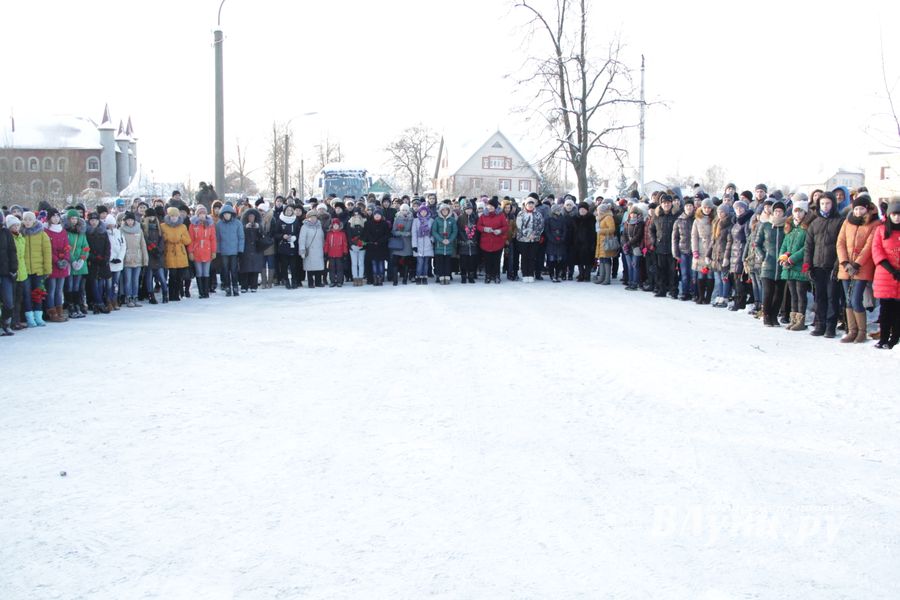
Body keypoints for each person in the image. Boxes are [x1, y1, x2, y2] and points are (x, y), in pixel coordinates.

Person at [836, 196, 878, 343]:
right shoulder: (848, 222)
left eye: (861, 208)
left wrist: (857, 264)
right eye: (856, 209)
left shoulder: (874, 223)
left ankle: (861, 331)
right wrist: (845, 262)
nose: (858, 211)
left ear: (867, 208)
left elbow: (869, 246)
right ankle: (852, 330)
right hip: (846, 267)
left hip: (862, 267)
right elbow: (840, 242)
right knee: (848, 300)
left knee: (856, 299)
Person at [871, 197, 900, 348]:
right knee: (885, 310)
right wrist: (891, 270)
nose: (897, 217)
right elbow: (877, 250)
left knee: (897, 311)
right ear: (889, 214)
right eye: (894, 213)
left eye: (899, 214)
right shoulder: (881, 230)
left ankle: (894, 338)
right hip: (886, 275)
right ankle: (883, 338)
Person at [756, 200, 788, 327]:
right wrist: (762, 256)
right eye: (776, 211)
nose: (778, 213)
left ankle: (774, 316)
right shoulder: (765, 225)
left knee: (779, 293)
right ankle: (766, 316)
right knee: (768, 292)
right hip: (767, 263)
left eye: (780, 211)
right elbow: (756, 243)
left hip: (781, 264)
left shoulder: (787, 226)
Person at [778, 201, 810, 330]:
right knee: (793, 294)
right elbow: (784, 244)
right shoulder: (790, 227)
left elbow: (806, 247)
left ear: (805, 212)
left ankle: (800, 320)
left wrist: (792, 258)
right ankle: (793, 319)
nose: (798, 214)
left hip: (799, 265)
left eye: (800, 211)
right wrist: (782, 257)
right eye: (795, 211)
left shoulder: (806, 228)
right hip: (788, 267)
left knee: (800, 293)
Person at [725, 200, 753, 311]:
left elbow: (748, 239)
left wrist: (744, 255)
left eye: (741, 208)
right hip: (734, 253)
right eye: (736, 208)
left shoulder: (746, 222)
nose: (739, 210)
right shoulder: (735, 222)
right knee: (735, 279)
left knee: (739, 280)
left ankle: (740, 302)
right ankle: (737, 299)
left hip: (741, 252)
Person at [650, 194, 680, 298]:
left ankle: (673, 290)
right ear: (661, 204)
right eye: (664, 203)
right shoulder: (657, 215)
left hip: (672, 248)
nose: (666, 205)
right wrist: (654, 241)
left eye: (668, 203)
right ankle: (661, 290)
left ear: (671, 203)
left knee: (673, 272)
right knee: (660, 270)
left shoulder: (676, 215)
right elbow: (651, 230)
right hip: (660, 247)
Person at [43, 208, 69, 322]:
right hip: (53, 264)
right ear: (49, 218)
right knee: (52, 289)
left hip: (63, 264)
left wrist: (66, 259)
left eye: (57, 216)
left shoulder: (63, 231)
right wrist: (56, 260)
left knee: (59, 290)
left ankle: (59, 311)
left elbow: (67, 247)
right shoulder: (46, 231)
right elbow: (48, 249)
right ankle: (51, 312)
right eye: (53, 216)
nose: (56, 218)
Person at [161, 206, 192, 301]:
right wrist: (167, 238)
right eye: (172, 216)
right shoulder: (163, 226)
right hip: (170, 252)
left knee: (179, 276)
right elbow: (161, 238)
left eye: (175, 216)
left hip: (180, 253)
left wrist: (181, 238)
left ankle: (178, 294)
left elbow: (188, 240)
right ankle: (171, 295)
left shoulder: (183, 226)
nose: (174, 217)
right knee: (172, 275)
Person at [4, 214, 27, 331]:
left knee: (19, 298)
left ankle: (17, 320)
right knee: (11, 299)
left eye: (18, 225)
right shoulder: (9, 238)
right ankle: (11, 321)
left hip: (21, 271)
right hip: (11, 272)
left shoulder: (21, 237)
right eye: (14, 226)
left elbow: (23, 256)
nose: (16, 228)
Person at [64, 209, 89, 318]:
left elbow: (86, 247)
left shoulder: (81, 233)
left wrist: (82, 259)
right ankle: (70, 305)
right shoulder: (66, 232)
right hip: (70, 263)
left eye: (75, 218)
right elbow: (66, 248)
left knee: (77, 286)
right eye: (72, 219)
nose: (74, 221)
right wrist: (73, 260)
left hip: (80, 263)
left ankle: (77, 304)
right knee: (69, 285)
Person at [215, 204, 244, 297]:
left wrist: (240, 249)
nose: (227, 216)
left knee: (234, 269)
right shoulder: (219, 224)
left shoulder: (237, 223)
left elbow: (241, 237)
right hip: (224, 251)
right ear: (222, 215)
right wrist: (218, 250)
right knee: (225, 269)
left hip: (234, 251)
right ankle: (227, 286)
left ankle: (235, 286)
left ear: (232, 214)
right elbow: (217, 239)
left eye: (228, 214)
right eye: (225, 214)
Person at [121, 211, 149, 307]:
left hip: (137, 258)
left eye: (131, 220)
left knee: (136, 280)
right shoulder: (122, 230)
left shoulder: (139, 230)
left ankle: (135, 297)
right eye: (128, 220)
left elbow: (143, 245)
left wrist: (145, 259)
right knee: (128, 280)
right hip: (127, 259)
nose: (130, 222)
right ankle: (128, 297)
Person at [188, 205, 216, 299]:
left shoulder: (210, 225)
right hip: (197, 251)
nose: (202, 215)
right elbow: (190, 239)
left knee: (206, 272)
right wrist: (190, 252)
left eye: (204, 213)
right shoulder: (193, 225)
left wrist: (213, 251)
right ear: (197, 215)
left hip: (207, 251)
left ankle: (206, 291)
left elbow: (213, 239)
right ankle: (201, 292)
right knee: (199, 272)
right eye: (200, 213)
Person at [85, 212, 111, 314]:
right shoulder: (87, 233)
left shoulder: (103, 232)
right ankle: (98, 303)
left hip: (103, 261)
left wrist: (106, 258)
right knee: (94, 283)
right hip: (93, 261)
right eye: (91, 220)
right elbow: (86, 247)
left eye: (95, 220)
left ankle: (99, 302)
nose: (93, 222)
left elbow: (108, 246)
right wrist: (93, 257)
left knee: (101, 283)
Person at [477, 197, 507, 284]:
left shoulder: (501, 215)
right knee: (488, 261)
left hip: (497, 241)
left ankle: (496, 275)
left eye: (492, 206)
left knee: (496, 260)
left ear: (495, 207)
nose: (490, 207)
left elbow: (505, 226)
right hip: (486, 242)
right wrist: (485, 229)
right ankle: (488, 275)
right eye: (488, 206)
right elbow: (478, 226)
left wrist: (500, 230)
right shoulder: (483, 215)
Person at [709, 204, 734, 308]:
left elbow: (729, 242)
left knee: (725, 278)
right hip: (715, 255)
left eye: (722, 212)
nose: (720, 214)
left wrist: (726, 257)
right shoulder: (716, 223)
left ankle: (725, 297)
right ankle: (719, 296)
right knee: (718, 278)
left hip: (723, 255)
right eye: (719, 212)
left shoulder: (729, 225)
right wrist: (708, 254)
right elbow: (713, 241)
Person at [142, 206, 168, 304]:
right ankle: (151, 295)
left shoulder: (159, 227)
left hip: (158, 255)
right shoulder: (144, 227)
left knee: (161, 276)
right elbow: (145, 240)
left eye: (153, 216)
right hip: (149, 255)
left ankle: (165, 293)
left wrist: (159, 250)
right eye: (150, 217)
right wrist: (152, 248)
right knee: (149, 276)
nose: (152, 218)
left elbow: (162, 240)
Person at [691, 198, 715, 304]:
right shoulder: (697, 220)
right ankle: (700, 296)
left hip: (712, 248)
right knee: (701, 274)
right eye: (705, 207)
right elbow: (694, 236)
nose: (707, 209)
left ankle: (708, 297)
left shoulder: (714, 219)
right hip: (700, 248)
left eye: (709, 207)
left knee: (710, 274)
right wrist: (695, 250)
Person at [516, 195, 544, 283]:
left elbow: (541, 226)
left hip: (534, 240)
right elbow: (519, 226)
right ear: (525, 204)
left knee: (532, 257)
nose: (530, 205)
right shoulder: (521, 214)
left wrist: (535, 234)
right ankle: (525, 274)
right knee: (524, 257)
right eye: (529, 203)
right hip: (523, 239)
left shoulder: (538, 214)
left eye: (532, 204)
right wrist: (528, 234)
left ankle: (531, 274)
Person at [672, 199, 695, 300]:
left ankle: (694, 292)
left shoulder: (696, 219)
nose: (689, 208)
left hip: (694, 251)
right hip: (683, 251)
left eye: (690, 206)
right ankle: (685, 292)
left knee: (693, 273)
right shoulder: (679, 220)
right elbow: (674, 238)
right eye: (687, 206)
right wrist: (675, 252)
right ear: (684, 208)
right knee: (684, 273)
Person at [431, 203, 457, 285]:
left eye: (446, 210)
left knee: (448, 262)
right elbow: (434, 231)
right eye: (443, 210)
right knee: (440, 262)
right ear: (440, 211)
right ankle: (441, 276)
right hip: (439, 245)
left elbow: (454, 231)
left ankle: (447, 276)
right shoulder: (437, 220)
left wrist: (449, 240)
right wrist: (441, 240)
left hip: (449, 244)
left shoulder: (452, 220)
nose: (445, 211)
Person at [239, 208, 264, 293]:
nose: (251, 218)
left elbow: (263, 236)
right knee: (245, 268)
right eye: (250, 217)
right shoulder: (242, 226)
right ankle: (244, 285)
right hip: (245, 249)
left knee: (255, 268)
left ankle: (254, 285)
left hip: (256, 249)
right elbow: (240, 235)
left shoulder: (259, 225)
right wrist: (245, 228)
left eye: (253, 217)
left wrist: (259, 228)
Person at [299, 209, 325, 288]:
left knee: (318, 267)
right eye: (311, 217)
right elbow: (302, 239)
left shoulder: (319, 226)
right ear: (308, 218)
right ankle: (310, 282)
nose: (313, 219)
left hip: (319, 249)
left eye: (314, 217)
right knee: (309, 267)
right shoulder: (304, 227)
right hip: (310, 250)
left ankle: (318, 282)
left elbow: (322, 238)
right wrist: (302, 251)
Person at [544, 204, 570, 283]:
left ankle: (558, 274)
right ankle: (552, 275)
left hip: (560, 243)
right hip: (551, 242)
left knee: (559, 260)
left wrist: (562, 238)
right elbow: (547, 231)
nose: (558, 212)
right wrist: (553, 239)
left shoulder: (562, 219)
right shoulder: (548, 219)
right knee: (552, 260)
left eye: (559, 210)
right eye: (556, 210)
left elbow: (565, 230)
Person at [594, 202, 617, 285]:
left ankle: (607, 279)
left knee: (606, 260)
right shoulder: (600, 218)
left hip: (606, 241)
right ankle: (601, 277)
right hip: (601, 242)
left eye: (599, 210)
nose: (597, 211)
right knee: (602, 260)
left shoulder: (608, 217)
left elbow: (612, 229)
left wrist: (601, 231)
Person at [390, 204, 414, 285]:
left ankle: (405, 279)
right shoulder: (397, 219)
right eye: (403, 210)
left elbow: (413, 231)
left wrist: (409, 233)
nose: (404, 212)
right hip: (398, 243)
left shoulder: (412, 219)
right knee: (395, 261)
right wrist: (401, 233)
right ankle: (395, 280)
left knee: (406, 261)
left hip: (408, 243)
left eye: (406, 210)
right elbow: (393, 231)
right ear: (400, 210)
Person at [106, 214, 126, 311]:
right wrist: (110, 258)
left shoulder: (119, 233)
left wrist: (120, 258)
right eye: (109, 224)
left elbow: (123, 246)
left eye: (112, 224)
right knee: (109, 284)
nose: (111, 226)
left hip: (118, 263)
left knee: (116, 283)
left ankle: (115, 299)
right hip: (109, 263)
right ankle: (108, 300)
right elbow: (106, 248)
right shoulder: (105, 234)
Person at [457, 201, 480, 284]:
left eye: (470, 209)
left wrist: (474, 239)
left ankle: (471, 276)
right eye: (467, 209)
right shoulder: (460, 218)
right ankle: (463, 276)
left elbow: (477, 230)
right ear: (464, 209)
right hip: (464, 243)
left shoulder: (475, 218)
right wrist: (465, 239)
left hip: (473, 243)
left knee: (472, 261)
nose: (469, 210)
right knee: (463, 261)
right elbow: (459, 230)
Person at [412, 205, 434, 285]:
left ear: (427, 212)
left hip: (428, 244)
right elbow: (414, 233)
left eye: (425, 211)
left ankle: (424, 277)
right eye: (422, 211)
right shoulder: (416, 221)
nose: (423, 213)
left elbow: (433, 232)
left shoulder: (431, 220)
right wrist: (414, 245)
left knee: (426, 263)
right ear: (419, 212)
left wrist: (432, 240)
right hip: (419, 244)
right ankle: (418, 277)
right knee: (420, 262)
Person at [345, 208, 366, 287]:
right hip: (352, 247)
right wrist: (352, 244)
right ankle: (355, 278)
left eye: (358, 214)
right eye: (355, 214)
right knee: (354, 263)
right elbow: (349, 235)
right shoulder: (349, 222)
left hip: (362, 246)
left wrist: (361, 243)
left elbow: (365, 234)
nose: (356, 215)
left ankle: (360, 278)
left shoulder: (364, 222)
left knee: (361, 263)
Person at [324, 218, 348, 287]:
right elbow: (327, 243)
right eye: (334, 225)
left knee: (339, 268)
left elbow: (344, 243)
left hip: (339, 254)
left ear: (339, 226)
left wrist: (345, 252)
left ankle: (340, 281)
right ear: (332, 226)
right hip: (331, 254)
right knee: (331, 268)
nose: (335, 226)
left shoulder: (342, 233)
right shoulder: (329, 234)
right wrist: (325, 251)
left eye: (337, 225)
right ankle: (332, 281)